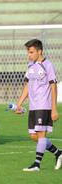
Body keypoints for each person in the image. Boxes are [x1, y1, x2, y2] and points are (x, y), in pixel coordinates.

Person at [16, 39, 62, 171]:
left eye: (31, 52)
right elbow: (27, 85)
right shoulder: (30, 66)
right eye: (28, 52)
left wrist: (54, 109)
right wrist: (19, 104)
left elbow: (53, 87)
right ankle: (58, 153)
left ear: (39, 51)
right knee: (34, 136)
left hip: (44, 105)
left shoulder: (48, 65)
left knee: (41, 134)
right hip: (33, 106)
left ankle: (37, 164)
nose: (29, 55)